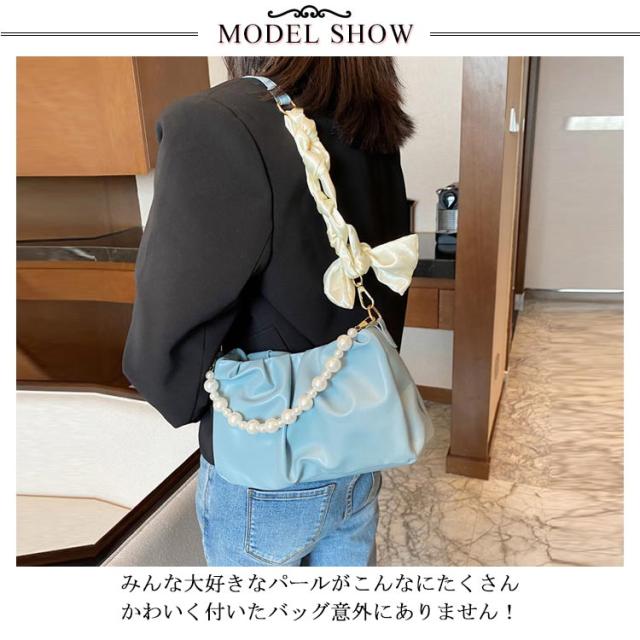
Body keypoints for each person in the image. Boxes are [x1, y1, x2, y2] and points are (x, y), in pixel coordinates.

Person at [122, 56, 416, 566]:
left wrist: (189, 394)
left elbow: (175, 314)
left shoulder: (217, 121)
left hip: (270, 455)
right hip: (362, 431)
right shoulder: (369, 116)